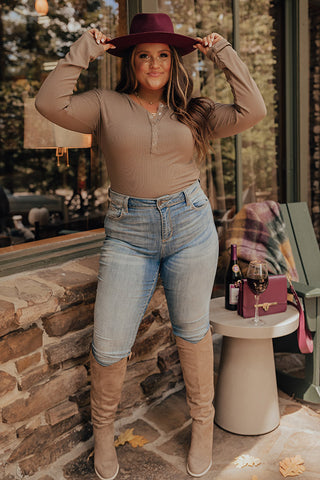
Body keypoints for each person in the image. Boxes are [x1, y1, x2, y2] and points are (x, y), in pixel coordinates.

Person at [36, 12, 266, 480]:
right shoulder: (104, 104)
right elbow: (48, 102)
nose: (154, 63)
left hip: (191, 228)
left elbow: (253, 111)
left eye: (163, 55)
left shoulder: (196, 112)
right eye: (144, 55)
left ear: (174, 61)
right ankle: (104, 435)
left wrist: (223, 53)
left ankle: (203, 424)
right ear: (131, 62)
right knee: (109, 343)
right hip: (128, 234)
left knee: (192, 330)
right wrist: (83, 49)